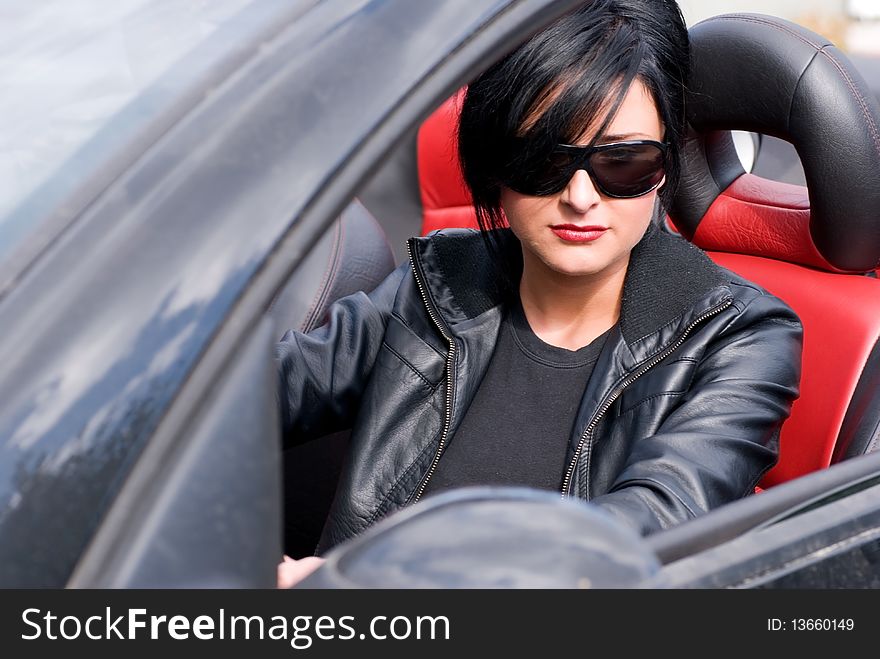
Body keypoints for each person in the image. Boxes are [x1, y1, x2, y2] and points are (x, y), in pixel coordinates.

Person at [275, 0, 803, 586]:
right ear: (494, 162)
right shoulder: (438, 281)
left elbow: (646, 526)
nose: (580, 197)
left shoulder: (739, 336)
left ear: (664, 166)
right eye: (543, 159)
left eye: (622, 162)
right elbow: (259, 396)